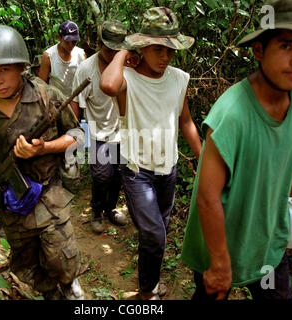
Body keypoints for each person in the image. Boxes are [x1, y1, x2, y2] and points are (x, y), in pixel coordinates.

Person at [181, 0, 292, 300]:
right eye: (287, 46)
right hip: (220, 242)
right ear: (259, 51)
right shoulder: (232, 114)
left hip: (267, 242)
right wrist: (219, 263)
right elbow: (207, 195)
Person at [0, 24, 85, 300]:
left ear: (20, 66)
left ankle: (70, 287)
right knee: (28, 261)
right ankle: (49, 294)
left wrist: (45, 148)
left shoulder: (45, 95)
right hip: (9, 204)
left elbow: (78, 135)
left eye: (4, 69)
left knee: (61, 257)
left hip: (48, 195)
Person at [100, 7, 202, 300]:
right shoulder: (127, 80)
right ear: (142, 45)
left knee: (158, 235)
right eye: (157, 48)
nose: (165, 56)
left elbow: (185, 120)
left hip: (167, 170)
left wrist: (203, 155)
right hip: (136, 172)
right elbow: (108, 84)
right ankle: (147, 291)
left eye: (170, 50)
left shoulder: (179, 78)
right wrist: (124, 50)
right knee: (155, 236)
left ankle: (150, 281)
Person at [70, 20, 130, 234]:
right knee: (101, 175)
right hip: (97, 132)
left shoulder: (128, 66)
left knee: (118, 174)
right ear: (98, 44)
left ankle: (111, 208)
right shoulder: (86, 69)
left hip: (123, 132)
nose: (113, 54)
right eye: (108, 49)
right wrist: (74, 132)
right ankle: (96, 210)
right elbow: (76, 102)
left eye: (117, 50)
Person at [38, 20, 86, 96]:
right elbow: (41, 84)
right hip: (56, 100)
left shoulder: (81, 55)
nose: (71, 45)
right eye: (67, 41)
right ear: (59, 38)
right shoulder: (49, 56)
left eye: (74, 42)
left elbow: (85, 80)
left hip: (76, 99)